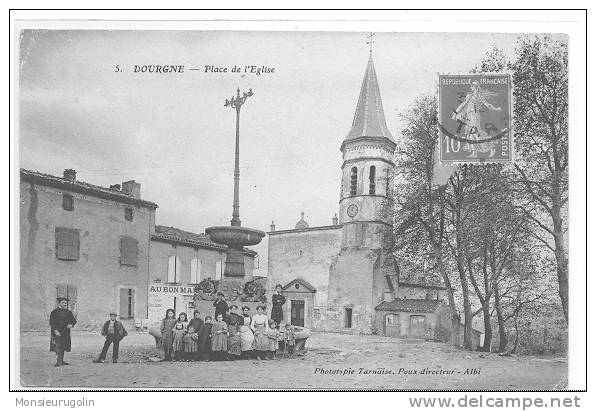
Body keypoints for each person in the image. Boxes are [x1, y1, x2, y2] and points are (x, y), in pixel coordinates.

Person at [49, 297, 77, 367]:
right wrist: (55, 331)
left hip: (66, 332)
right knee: (58, 346)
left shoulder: (68, 312)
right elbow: (52, 322)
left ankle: (61, 360)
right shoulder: (54, 312)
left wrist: (71, 324)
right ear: (59, 303)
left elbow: (73, 320)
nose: (64, 304)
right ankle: (58, 361)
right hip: (57, 331)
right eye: (63, 303)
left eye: (65, 303)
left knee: (63, 346)